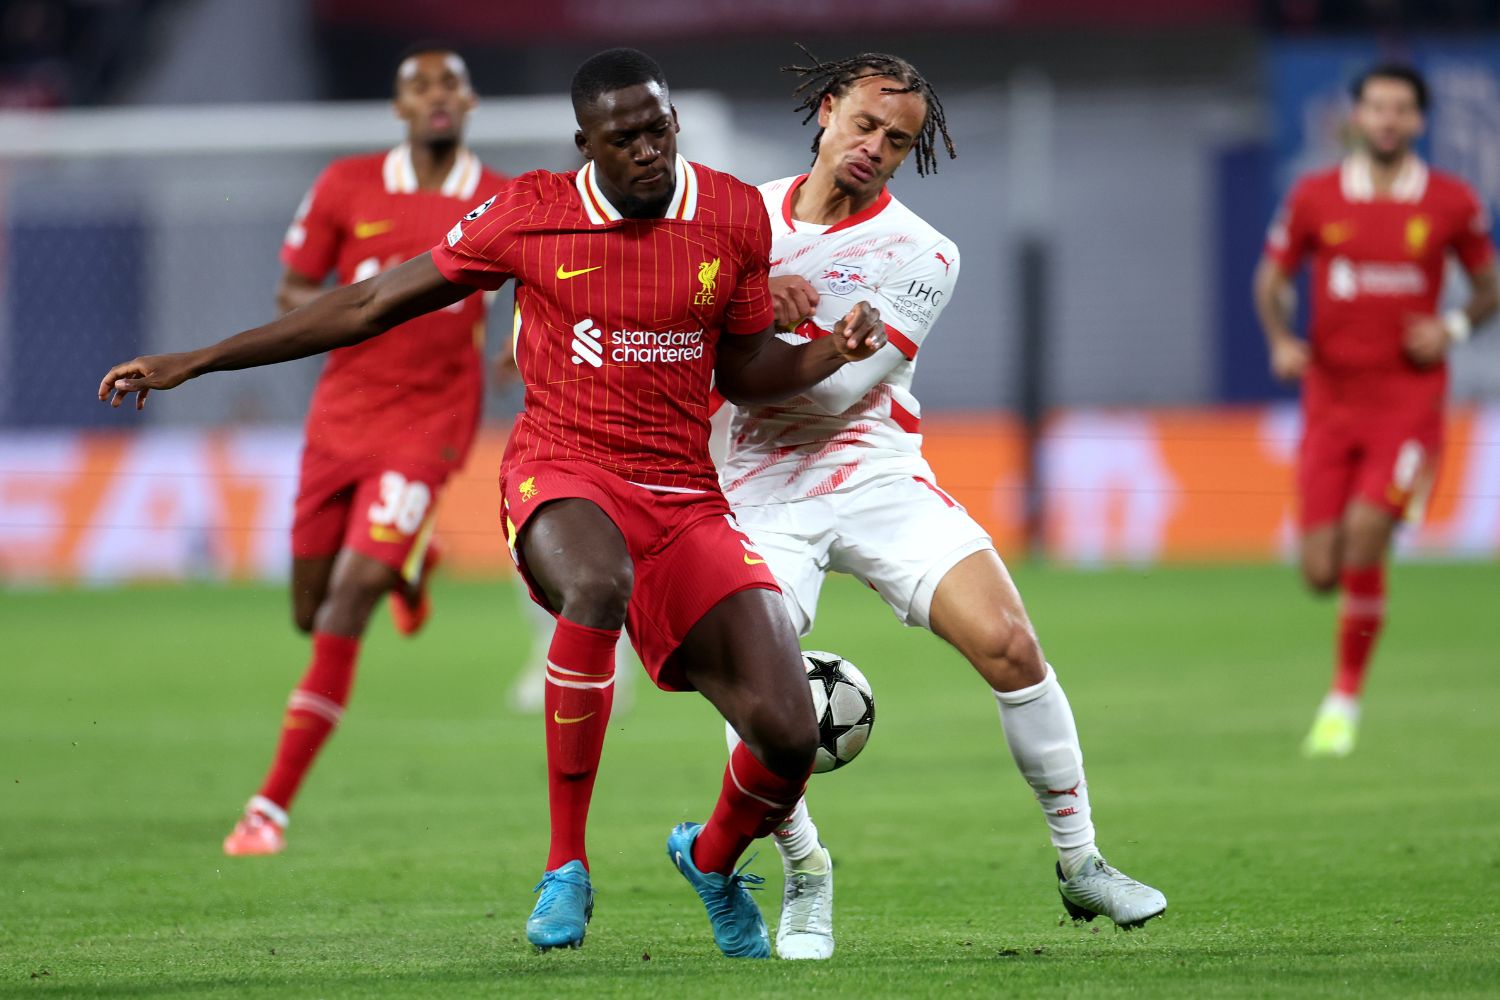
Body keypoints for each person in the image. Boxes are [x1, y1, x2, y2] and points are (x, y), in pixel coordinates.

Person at [98, 47, 886, 960]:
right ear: (584, 142)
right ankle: (565, 867)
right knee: (594, 586)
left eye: (658, 130)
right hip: (563, 470)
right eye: (623, 137)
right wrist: (197, 359)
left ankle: (709, 861)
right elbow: (369, 304)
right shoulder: (531, 213)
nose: (647, 151)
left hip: (684, 494)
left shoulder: (733, 211)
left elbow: (745, 372)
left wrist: (825, 352)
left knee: (787, 735)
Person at [716, 50, 1168, 959]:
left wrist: (762, 316)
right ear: (827, 110)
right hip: (754, 483)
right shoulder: (734, 219)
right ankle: (807, 873)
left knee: (1012, 645)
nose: (876, 147)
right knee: (763, 696)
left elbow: (833, 398)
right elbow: (691, 337)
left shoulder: (923, 254)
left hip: (875, 471)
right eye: (865, 125)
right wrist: (758, 294)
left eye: (899, 140)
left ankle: (1081, 865)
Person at [220, 46, 507, 856]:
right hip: (340, 419)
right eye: (420, 85)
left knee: (345, 606)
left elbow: (542, 284)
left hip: (429, 428)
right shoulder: (346, 183)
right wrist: (376, 296)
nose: (437, 96)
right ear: (399, 108)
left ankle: (267, 809)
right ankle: (410, 563)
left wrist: (524, 341)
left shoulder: (495, 199)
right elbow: (291, 293)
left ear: (471, 100)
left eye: (451, 81)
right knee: (308, 610)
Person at [1253, 63, 1497, 758]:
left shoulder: (1450, 201)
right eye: (1377, 107)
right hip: (1330, 402)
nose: (1388, 120)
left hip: (1408, 403)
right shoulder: (1315, 196)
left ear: (1419, 122)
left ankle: (1343, 703)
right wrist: (1279, 340)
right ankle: (1372, 544)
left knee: (1364, 534)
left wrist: (1449, 329)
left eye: (1402, 109)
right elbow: (1272, 275)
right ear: (1355, 117)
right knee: (1318, 574)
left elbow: (1488, 287)